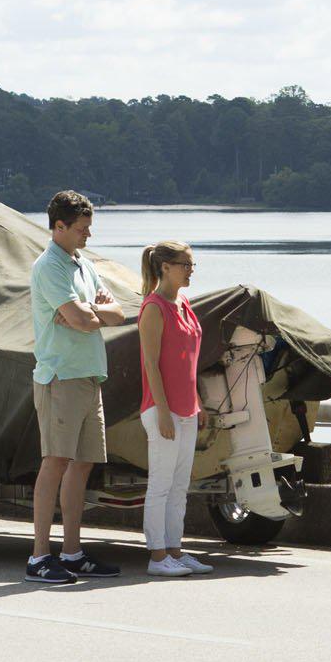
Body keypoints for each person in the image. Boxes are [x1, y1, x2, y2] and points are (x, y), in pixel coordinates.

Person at [27, 189, 126, 587]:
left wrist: (91, 313)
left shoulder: (81, 264)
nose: (89, 235)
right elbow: (79, 320)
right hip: (60, 377)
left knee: (82, 464)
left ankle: (71, 552)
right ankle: (38, 557)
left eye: (90, 228)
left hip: (88, 374)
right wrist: (87, 315)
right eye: (83, 229)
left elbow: (115, 313)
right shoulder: (49, 267)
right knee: (55, 461)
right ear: (59, 226)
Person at [137, 241, 212, 578]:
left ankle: (175, 550)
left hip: (187, 409)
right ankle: (157, 556)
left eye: (192, 264)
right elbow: (151, 364)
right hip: (161, 409)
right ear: (165, 267)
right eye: (185, 264)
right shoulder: (154, 308)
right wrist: (164, 411)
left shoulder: (183, 303)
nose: (190, 270)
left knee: (181, 485)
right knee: (161, 484)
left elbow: (188, 362)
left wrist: (198, 402)